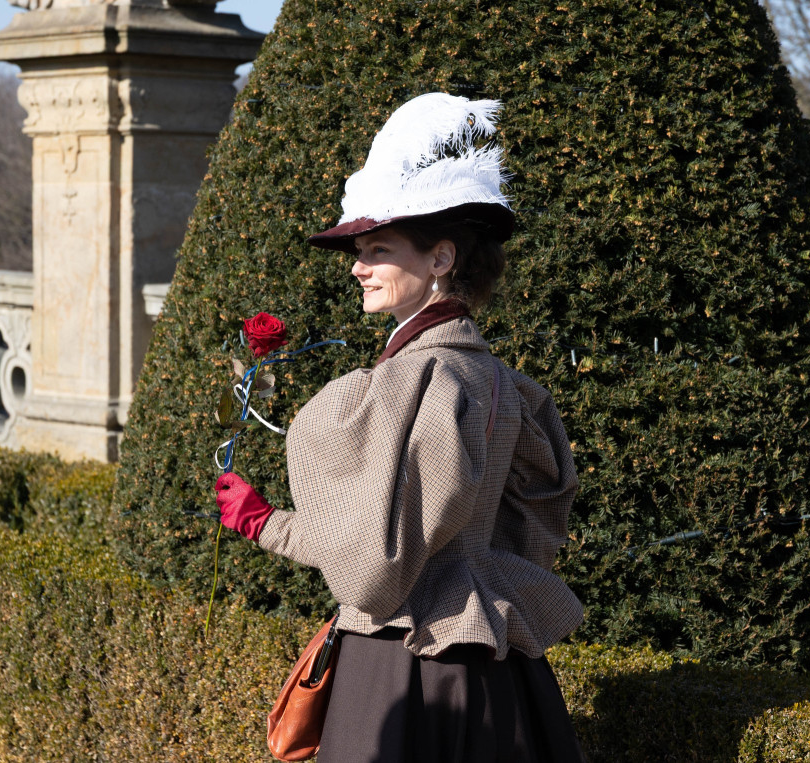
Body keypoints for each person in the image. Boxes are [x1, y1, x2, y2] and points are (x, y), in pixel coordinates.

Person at [214, 92, 586, 762]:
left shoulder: (412, 386)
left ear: (442, 258)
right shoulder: (511, 389)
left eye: (378, 249)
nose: (358, 266)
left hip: (403, 670)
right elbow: (530, 535)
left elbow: (373, 567)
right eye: (359, 250)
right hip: (500, 673)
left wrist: (264, 523)